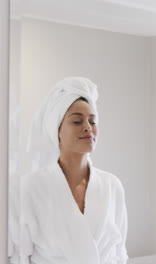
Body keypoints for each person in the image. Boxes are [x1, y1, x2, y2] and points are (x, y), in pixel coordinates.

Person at [10, 77, 128, 264]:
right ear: (56, 129)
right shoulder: (28, 188)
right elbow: (17, 256)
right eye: (77, 121)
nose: (88, 128)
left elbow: (120, 253)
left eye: (92, 121)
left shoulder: (112, 186)